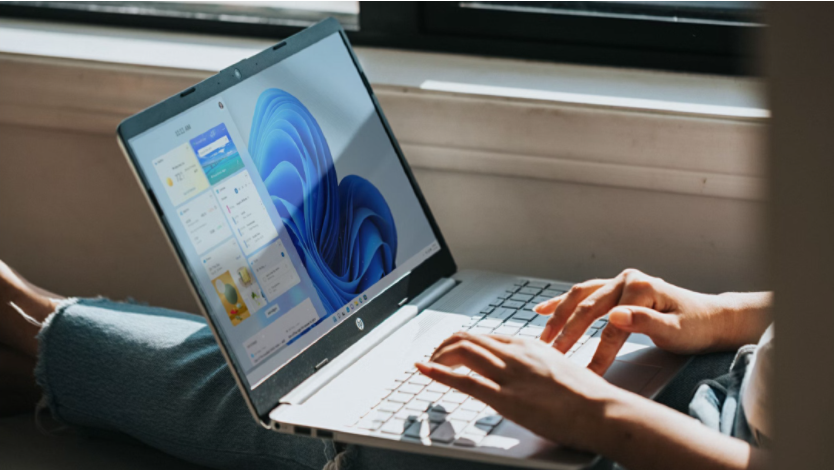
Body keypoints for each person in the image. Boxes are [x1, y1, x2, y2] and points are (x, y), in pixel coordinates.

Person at [0, 261, 772, 469]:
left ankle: (30, 325)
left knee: (306, 407)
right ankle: (40, 342)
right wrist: (729, 313)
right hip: (719, 380)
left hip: (687, 449)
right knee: (346, 359)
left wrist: (599, 414)